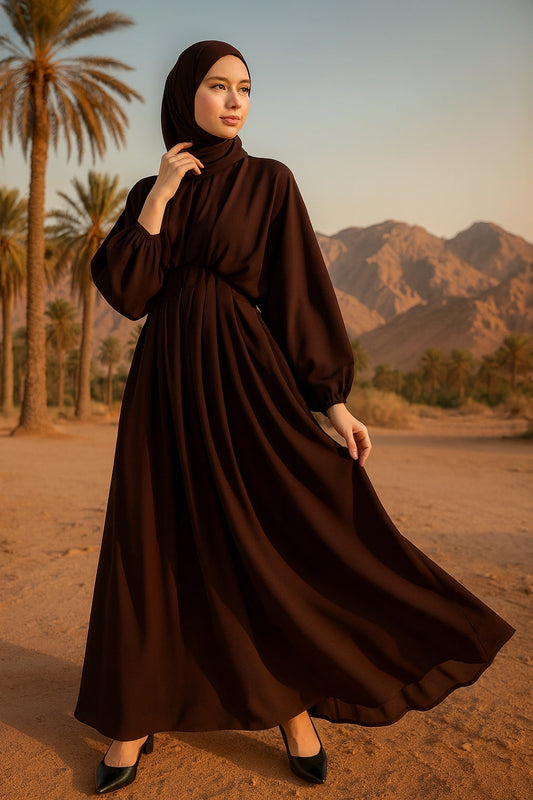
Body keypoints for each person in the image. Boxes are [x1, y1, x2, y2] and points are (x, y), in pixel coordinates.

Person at [74, 40, 515, 795]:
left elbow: (297, 294)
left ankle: (291, 710)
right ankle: (133, 717)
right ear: (185, 96)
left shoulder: (270, 182)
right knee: (155, 536)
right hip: (164, 383)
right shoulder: (156, 185)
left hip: (246, 375)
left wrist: (331, 402)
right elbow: (127, 290)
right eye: (217, 86)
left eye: (244, 87)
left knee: (267, 535)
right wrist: (155, 202)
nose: (234, 100)